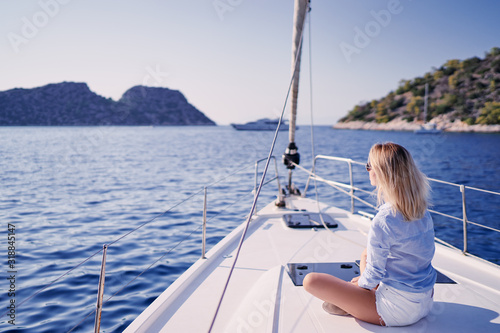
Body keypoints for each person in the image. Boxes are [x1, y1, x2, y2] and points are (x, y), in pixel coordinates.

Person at [303, 142, 437, 326]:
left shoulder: (385, 219)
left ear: (381, 172)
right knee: (366, 253)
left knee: (311, 281)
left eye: (369, 166)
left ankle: (354, 301)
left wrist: (354, 286)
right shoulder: (422, 211)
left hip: (397, 310)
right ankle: (359, 297)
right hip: (425, 299)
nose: (367, 170)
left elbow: (374, 273)